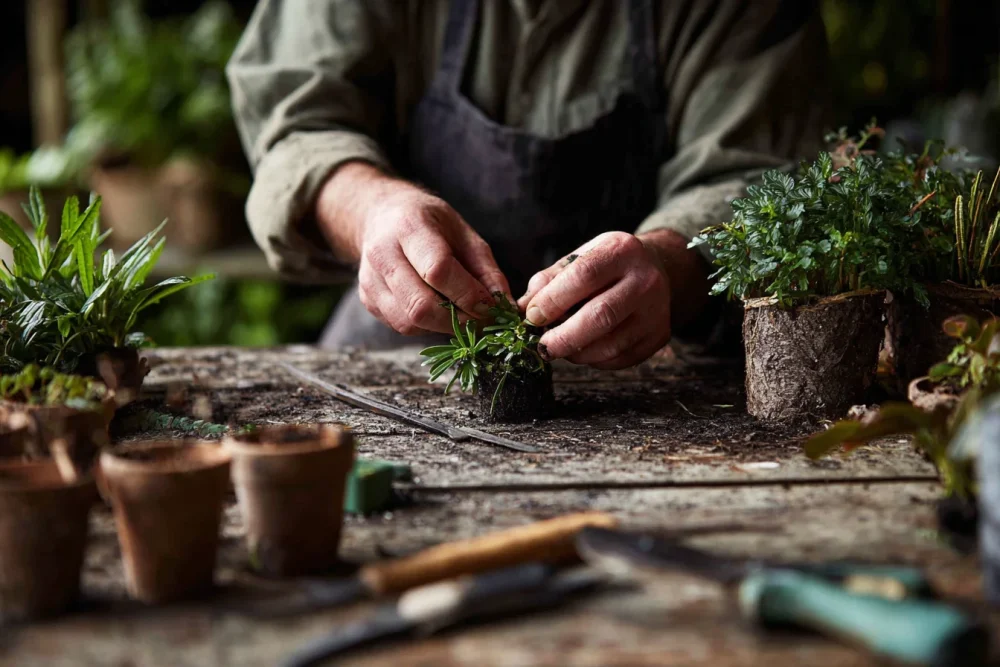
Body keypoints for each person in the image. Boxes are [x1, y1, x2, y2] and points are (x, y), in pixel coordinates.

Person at [227, 0, 829, 368]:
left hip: (651, 359)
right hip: (408, 337)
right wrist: (370, 208)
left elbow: (760, 176)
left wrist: (670, 264)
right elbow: (295, 121)